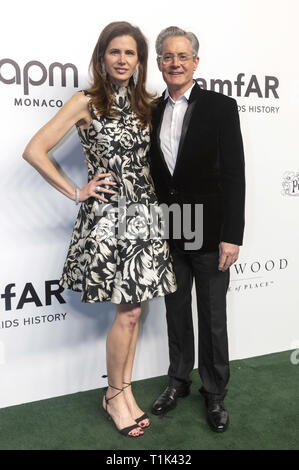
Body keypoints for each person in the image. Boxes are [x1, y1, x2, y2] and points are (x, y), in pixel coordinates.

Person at [22, 21, 176, 438]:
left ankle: (122, 392)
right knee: (126, 312)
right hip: (108, 220)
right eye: (115, 52)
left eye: (130, 53)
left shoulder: (146, 103)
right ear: (102, 57)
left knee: (134, 311)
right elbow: (35, 150)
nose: (123, 60)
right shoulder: (85, 101)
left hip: (144, 218)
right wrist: (77, 191)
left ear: (139, 60)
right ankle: (113, 395)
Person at [149, 26, 245, 433]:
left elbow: (235, 174)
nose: (175, 63)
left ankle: (215, 394)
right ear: (158, 63)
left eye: (182, 56)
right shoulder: (149, 110)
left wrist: (232, 234)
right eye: (167, 57)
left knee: (212, 315)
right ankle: (177, 381)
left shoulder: (221, 107)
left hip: (209, 230)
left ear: (195, 62)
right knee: (175, 313)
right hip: (169, 228)